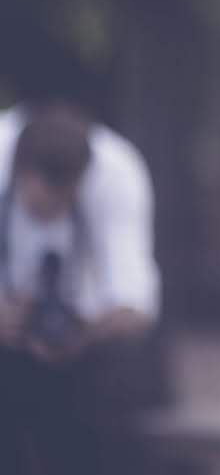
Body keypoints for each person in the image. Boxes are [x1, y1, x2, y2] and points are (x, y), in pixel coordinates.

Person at [0, 101, 161, 474]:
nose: (50, 213)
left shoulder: (115, 172)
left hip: (86, 359)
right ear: (19, 173)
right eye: (41, 206)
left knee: (110, 391)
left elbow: (136, 304)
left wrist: (82, 331)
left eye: (62, 202)